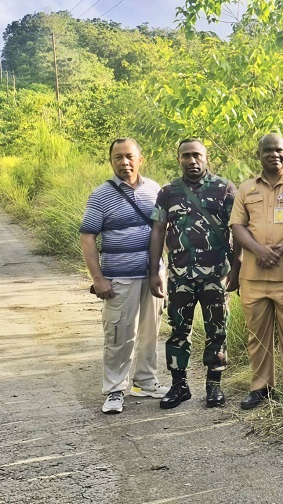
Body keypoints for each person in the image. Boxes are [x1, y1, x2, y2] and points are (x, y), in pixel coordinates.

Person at [148, 138, 240, 409]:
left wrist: (237, 269)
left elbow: (237, 230)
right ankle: (180, 386)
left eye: (197, 155)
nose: (192, 160)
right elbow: (157, 231)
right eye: (186, 156)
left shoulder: (224, 189)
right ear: (178, 159)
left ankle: (214, 387)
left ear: (206, 157)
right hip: (180, 277)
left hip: (216, 276)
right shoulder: (168, 192)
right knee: (178, 331)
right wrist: (155, 271)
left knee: (217, 331)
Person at [79, 137, 168, 414]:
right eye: (118, 157)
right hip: (119, 279)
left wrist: (164, 270)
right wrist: (98, 279)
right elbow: (87, 236)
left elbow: (163, 230)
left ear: (141, 159)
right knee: (119, 335)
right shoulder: (101, 195)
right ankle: (115, 390)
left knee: (150, 333)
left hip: (152, 276)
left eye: (129, 156)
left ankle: (145, 383)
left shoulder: (155, 190)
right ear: (111, 161)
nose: (124, 162)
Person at [229, 133, 283, 410]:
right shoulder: (246, 189)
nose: (273, 155)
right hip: (253, 276)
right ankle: (261, 387)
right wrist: (258, 249)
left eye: (279, 150)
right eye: (267, 150)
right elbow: (237, 226)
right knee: (257, 335)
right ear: (258, 155)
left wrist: (276, 250)